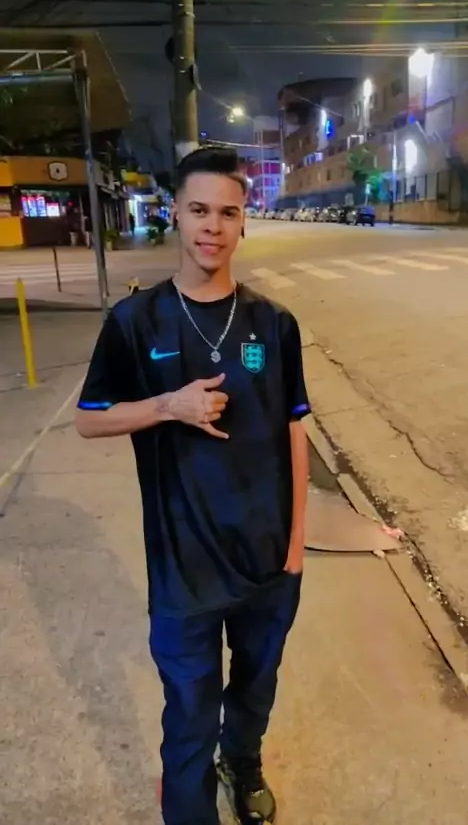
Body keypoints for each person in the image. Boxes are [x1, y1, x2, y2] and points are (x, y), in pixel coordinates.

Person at [75, 147, 310, 825]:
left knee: (255, 689)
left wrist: (296, 545)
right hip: (184, 570)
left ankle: (243, 762)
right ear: (175, 213)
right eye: (199, 210)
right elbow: (90, 420)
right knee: (188, 716)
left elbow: (295, 429)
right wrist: (167, 406)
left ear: (243, 223)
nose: (213, 226)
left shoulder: (274, 324)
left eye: (228, 213)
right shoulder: (135, 321)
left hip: (268, 559)